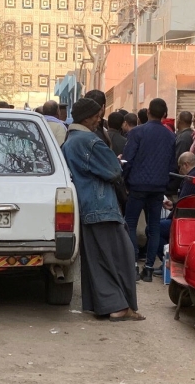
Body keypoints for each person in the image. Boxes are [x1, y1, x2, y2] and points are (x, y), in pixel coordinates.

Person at [61, 98, 144, 321]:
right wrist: (113, 161)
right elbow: (114, 170)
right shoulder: (89, 140)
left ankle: (110, 304)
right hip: (101, 206)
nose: (99, 119)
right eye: (97, 115)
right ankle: (119, 306)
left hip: (86, 205)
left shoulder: (71, 140)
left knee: (98, 259)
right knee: (120, 256)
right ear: (86, 117)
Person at [123, 98, 177, 281]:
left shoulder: (137, 132)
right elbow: (172, 164)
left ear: (147, 112)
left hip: (137, 185)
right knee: (153, 226)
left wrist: (125, 182)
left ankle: (132, 266)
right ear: (164, 115)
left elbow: (128, 160)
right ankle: (148, 269)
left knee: (130, 223)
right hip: (158, 186)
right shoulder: (170, 136)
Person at [156, 152, 195, 272]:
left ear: (185, 165)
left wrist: (170, 215)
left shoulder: (191, 178)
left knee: (154, 228)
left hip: (187, 222)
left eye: (180, 167)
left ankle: (168, 263)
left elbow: (184, 203)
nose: (179, 170)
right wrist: (173, 206)